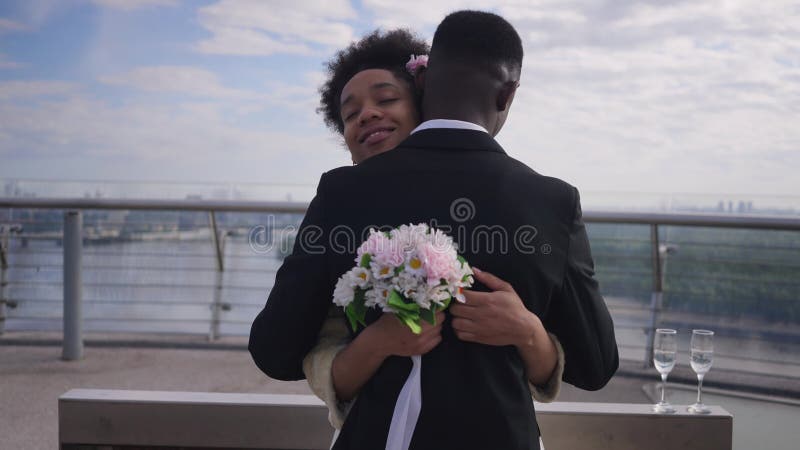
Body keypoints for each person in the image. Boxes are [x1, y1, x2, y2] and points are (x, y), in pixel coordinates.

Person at [250, 11, 618, 450]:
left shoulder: (342, 191)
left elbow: (274, 349)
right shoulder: (553, 201)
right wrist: (528, 330)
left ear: (423, 85)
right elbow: (595, 365)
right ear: (507, 93)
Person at [301, 29, 565, 432]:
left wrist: (529, 332)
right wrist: (377, 343)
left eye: (387, 99)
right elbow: (295, 345)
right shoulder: (341, 203)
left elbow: (584, 357)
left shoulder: (513, 202)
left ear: (425, 102)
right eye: (350, 115)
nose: (367, 114)